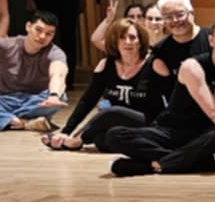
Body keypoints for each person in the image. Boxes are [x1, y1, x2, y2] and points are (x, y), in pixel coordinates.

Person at [103, 17, 215, 176]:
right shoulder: (193, 66)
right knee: (114, 135)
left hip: (204, 137)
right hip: (171, 130)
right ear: (211, 40)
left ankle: (154, 166)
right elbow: (214, 112)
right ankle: (197, 162)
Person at [44, 15, 166, 151]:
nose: (128, 42)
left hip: (150, 121)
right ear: (114, 41)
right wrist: (66, 130)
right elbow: (87, 101)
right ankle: (65, 137)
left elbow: (172, 98)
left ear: (141, 41)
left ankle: (75, 142)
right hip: (121, 125)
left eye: (133, 37)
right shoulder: (106, 65)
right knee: (102, 140)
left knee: (112, 112)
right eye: (122, 37)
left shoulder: (154, 64)